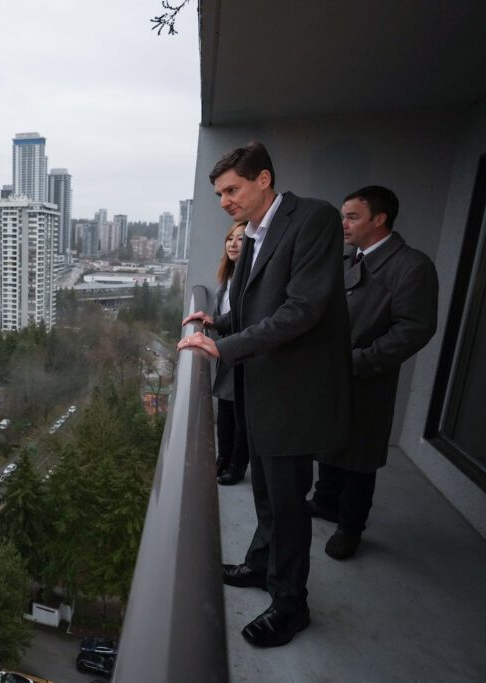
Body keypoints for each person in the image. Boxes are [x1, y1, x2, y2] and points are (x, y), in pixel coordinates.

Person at [178, 141, 351, 647]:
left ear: (264, 180)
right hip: (264, 385)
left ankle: (290, 604)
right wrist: (217, 321)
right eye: (218, 193)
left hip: (294, 391)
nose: (225, 201)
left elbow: (302, 309)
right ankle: (260, 564)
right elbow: (254, 307)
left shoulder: (312, 220)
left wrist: (223, 347)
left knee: (289, 502)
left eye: (231, 189)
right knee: (266, 494)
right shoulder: (253, 235)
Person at [309, 186, 438, 559]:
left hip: (369, 378)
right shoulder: (351, 258)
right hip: (334, 371)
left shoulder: (412, 266)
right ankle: (325, 501)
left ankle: (351, 527)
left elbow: (415, 329)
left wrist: (361, 361)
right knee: (329, 438)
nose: (343, 223)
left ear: (379, 219)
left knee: (360, 456)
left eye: (352, 216)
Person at [212, 221, 249, 485]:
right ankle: (222, 458)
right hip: (227, 352)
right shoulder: (227, 276)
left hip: (244, 353)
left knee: (240, 417)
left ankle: (236, 466)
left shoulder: (250, 277)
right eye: (230, 239)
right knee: (224, 411)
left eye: (241, 239)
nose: (233, 244)